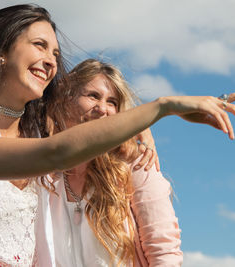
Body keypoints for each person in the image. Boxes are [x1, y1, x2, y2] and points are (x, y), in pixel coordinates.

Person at [0, 4, 235, 267]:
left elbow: (77, 130)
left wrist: (141, 129)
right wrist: (161, 107)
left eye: (55, 52)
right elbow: (56, 151)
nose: (51, 60)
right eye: (39, 45)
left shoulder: (36, 131)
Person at [46, 59, 182, 266]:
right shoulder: (43, 171)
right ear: (66, 99)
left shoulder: (136, 164)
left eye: (112, 102)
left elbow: (164, 253)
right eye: (93, 96)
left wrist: (138, 125)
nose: (103, 109)